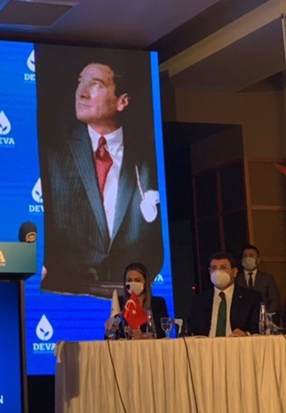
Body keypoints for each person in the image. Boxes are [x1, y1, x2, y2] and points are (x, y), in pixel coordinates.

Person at [41, 61, 163, 297]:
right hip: (67, 292)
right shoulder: (53, 151)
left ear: (122, 101)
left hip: (132, 293)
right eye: (80, 83)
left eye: (95, 84)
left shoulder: (149, 155)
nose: (82, 93)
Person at [188, 252, 261, 337]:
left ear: (234, 272)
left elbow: (257, 327)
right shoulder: (199, 300)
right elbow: (193, 329)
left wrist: (245, 334)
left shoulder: (251, 298)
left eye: (223, 267)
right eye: (214, 268)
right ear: (209, 272)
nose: (218, 272)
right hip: (207, 344)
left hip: (237, 343)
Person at [106, 262, 168, 339]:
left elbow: (162, 333)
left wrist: (143, 336)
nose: (133, 283)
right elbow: (109, 336)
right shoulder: (120, 303)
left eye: (137, 280)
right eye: (129, 280)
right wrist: (111, 328)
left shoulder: (157, 303)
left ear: (145, 282)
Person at [236, 244, 281, 326]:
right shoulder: (236, 279)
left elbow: (274, 300)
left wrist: (266, 317)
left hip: (264, 321)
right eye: (245, 256)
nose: (248, 258)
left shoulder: (267, 278)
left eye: (251, 255)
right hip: (242, 323)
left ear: (258, 260)